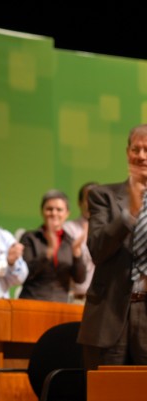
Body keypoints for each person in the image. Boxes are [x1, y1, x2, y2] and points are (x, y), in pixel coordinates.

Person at [78, 124, 147, 369]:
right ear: (127, 152)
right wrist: (129, 215)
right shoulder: (103, 195)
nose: (141, 155)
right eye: (135, 149)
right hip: (109, 316)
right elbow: (97, 249)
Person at [18, 190, 86, 302]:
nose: (54, 213)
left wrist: (77, 254)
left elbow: (80, 279)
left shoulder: (71, 242)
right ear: (42, 211)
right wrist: (48, 252)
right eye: (49, 209)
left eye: (59, 210)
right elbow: (24, 274)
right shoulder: (30, 238)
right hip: (31, 303)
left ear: (67, 213)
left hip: (60, 305)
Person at [63, 181, 98, 303]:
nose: (93, 202)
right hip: (77, 299)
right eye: (89, 198)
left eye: (97, 198)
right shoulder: (68, 229)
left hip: (103, 301)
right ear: (79, 202)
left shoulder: (110, 229)